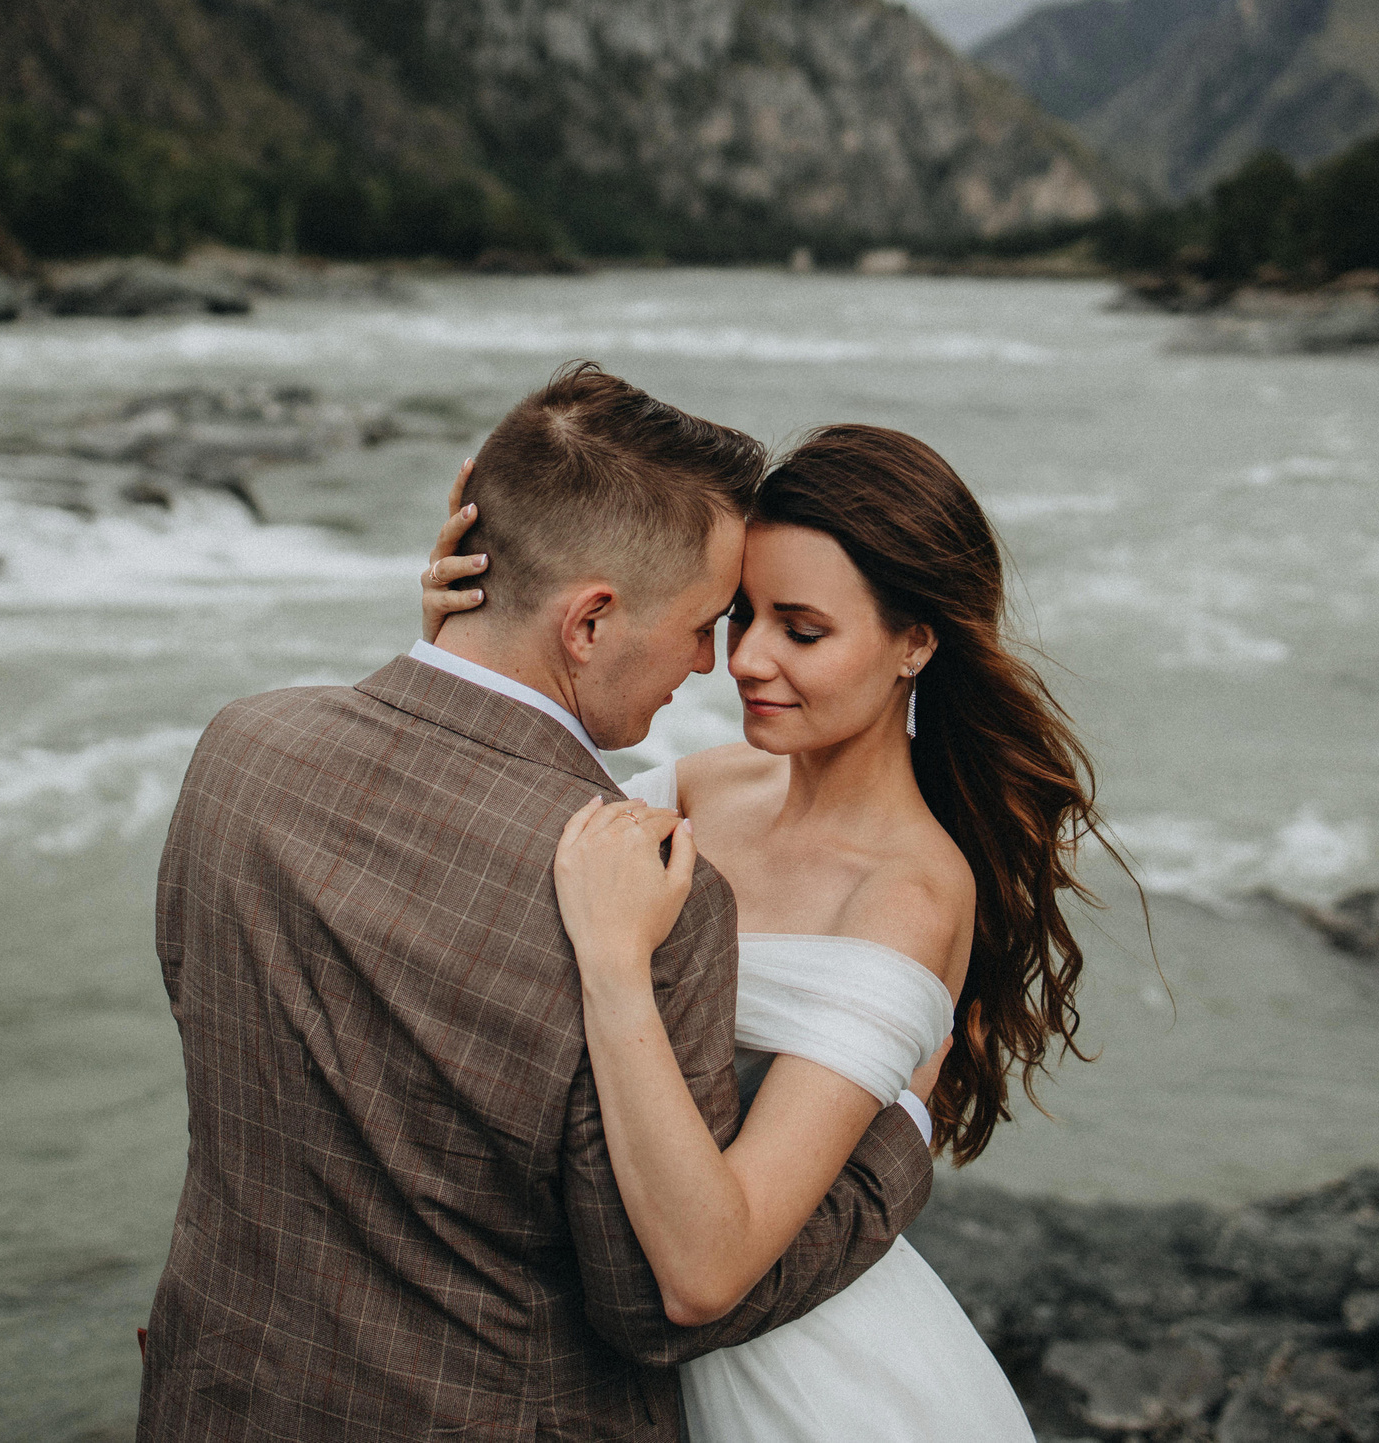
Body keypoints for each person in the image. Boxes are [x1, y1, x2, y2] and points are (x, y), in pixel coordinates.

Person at [137, 364, 934, 1443]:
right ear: (589, 621)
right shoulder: (656, 899)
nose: (712, 665)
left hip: (209, 1401)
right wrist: (900, 1141)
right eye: (706, 622)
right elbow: (663, 1306)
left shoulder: (239, 751)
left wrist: (450, 651)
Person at [422, 420, 1121, 1442]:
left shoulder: (909, 896)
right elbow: (471, 862)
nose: (742, 659)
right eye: (740, 614)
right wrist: (460, 651)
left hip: (805, 1392)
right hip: (619, 1373)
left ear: (915, 642)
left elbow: (710, 1267)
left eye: (801, 630)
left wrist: (617, 971)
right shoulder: (707, 787)